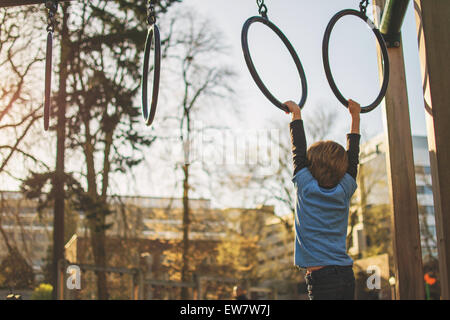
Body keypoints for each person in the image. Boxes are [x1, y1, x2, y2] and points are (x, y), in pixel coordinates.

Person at [285, 99, 361, 300]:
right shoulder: (343, 190)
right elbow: (353, 158)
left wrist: (297, 113)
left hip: (323, 280)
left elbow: (298, 151)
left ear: (311, 167)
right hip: (345, 274)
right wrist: (354, 116)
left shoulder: (306, 188)